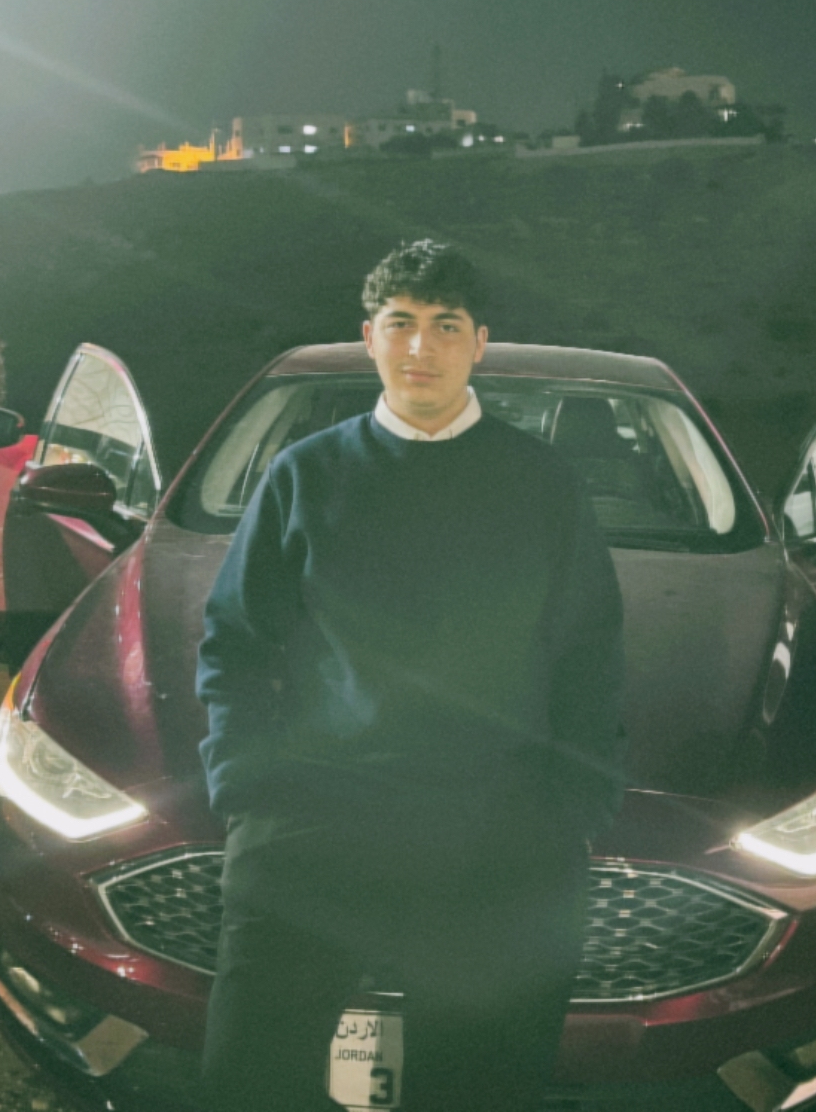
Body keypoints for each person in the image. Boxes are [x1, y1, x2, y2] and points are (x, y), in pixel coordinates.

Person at [196, 239, 626, 1112]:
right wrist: (245, 780)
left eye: (445, 325)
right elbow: (236, 637)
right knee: (250, 1080)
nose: (419, 347)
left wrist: (570, 808)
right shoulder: (305, 473)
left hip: (492, 828)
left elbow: (588, 652)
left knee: (477, 1088)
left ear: (479, 343)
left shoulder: (540, 481)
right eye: (400, 323)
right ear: (369, 337)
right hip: (317, 819)